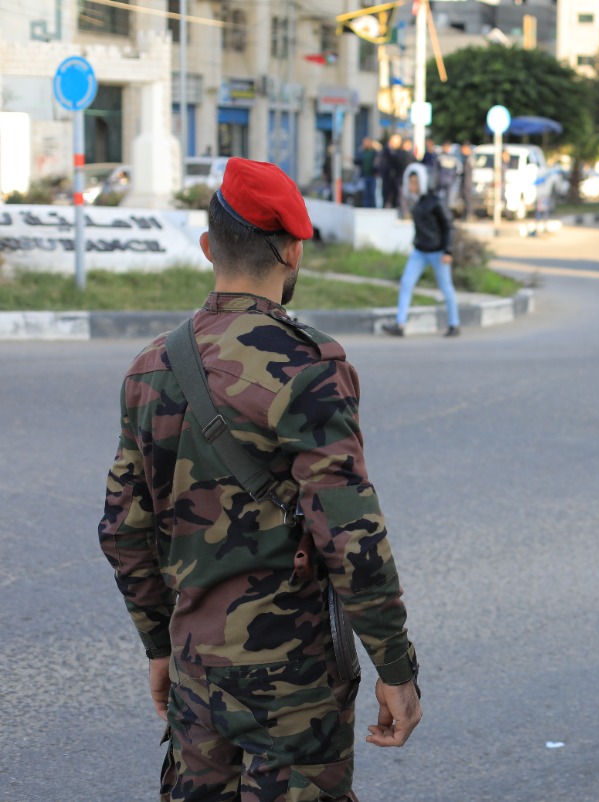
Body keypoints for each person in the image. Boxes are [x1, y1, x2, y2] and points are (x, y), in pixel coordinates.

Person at [98, 157, 423, 801]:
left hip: (195, 672)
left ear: (206, 247)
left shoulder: (150, 368)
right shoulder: (308, 369)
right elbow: (351, 535)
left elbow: (122, 529)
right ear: (293, 250)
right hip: (295, 687)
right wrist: (395, 665)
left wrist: (158, 646)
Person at [383, 168, 460, 338]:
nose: (412, 185)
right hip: (419, 251)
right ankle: (400, 324)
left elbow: (448, 226)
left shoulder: (435, 202)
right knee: (406, 283)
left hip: (438, 252)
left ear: (423, 181)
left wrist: (448, 250)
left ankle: (454, 324)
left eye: (415, 182)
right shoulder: (416, 202)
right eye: (410, 181)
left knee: (446, 288)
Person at [380, 133, 405, 209]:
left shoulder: (399, 152)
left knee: (396, 192)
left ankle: (394, 204)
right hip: (387, 176)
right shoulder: (386, 151)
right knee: (386, 191)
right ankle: (386, 203)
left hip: (396, 176)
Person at [359, 137, 381, 209]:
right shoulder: (363, 152)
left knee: (372, 193)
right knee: (366, 193)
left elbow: (378, 162)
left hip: (372, 175)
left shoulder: (374, 152)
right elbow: (359, 162)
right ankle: (366, 207)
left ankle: (372, 207)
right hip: (365, 175)